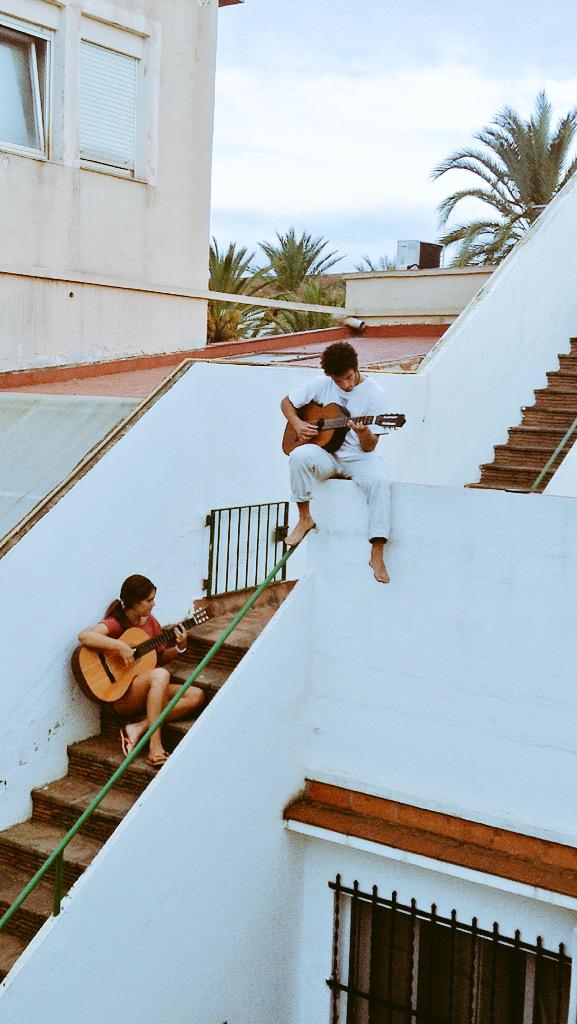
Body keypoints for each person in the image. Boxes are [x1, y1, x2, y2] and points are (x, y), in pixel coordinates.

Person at [281, 341, 392, 584]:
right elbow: (287, 402)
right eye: (338, 380)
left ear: (356, 367)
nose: (345, 384)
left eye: (349, 378)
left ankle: (377, 549)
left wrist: (363, 432)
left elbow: (370, 446)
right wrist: (299, 424)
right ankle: (304, 518)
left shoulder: (376, 395)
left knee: (379, 481)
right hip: (327, 456)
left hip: (358, 458)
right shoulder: (321, 385)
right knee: (298, 456)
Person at [77, 574, 204, 767]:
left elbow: (159, 658)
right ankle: (155, 748)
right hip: (121, 696)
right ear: (134, 602)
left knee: (196, 695)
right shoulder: (117, 622)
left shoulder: (151, 622)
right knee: (161, 674)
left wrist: (179, 647)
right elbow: (85, 636)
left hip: (145, 689)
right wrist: (120, 647)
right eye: (149, 600)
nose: (153, 604)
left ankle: (138, 727)